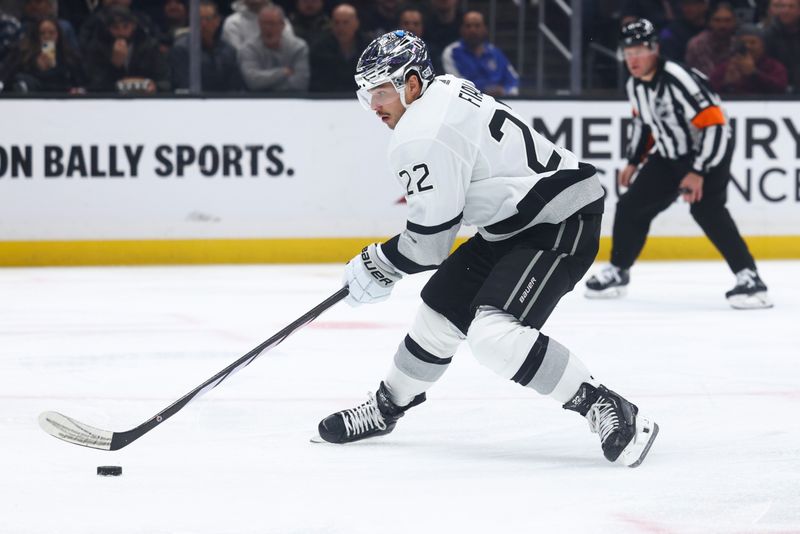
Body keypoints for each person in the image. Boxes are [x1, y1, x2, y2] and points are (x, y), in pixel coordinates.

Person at [313, 30, 659, 469]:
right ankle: (386, 409)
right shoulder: (447, 88)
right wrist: (384, 263)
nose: (375, 106)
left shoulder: (422, 133)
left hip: (560, 219)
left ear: (412, 83)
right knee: (437, 316)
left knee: (494, 336)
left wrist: (379, 262)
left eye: (382, 91)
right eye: (367, 95)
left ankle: (605, 405)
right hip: (512, 223)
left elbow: (430, 245)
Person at [585, 19, 771, 309]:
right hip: (670, 154)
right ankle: (618, 271)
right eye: (627, 52)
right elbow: (644, 124)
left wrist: (698, 171)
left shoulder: (678, 78)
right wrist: (634, 160)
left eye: (639, 51)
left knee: (707, 209)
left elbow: (716, 126)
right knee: (631, 206)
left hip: (710, 151)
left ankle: (750, 278)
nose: (632, 59)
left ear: (655, 50)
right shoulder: (636, 84)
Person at [84, 5, 170, 93]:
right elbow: (94, 86)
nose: (121, 32)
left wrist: (155, 86)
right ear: (108, 29)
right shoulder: (97, 49)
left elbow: (165, 81)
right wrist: (114, 65)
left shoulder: (150, 47)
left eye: (125, 27)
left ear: (134, 26)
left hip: (146, 99)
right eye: (115, 28)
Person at [169, 0, 243, 91]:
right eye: (199, 19)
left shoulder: (228, 51)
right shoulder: (181, 49)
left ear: (217, 21)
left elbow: (235, 87)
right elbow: (184, 85)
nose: (203, 24)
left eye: (208, 19)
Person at [442, 11, 519, 97]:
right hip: (469, 102)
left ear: (485, 29)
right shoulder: (452, 52)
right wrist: (484, 92)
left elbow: (513, 81)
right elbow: (456, 84)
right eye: (468, 26)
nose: (472, 30)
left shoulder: (495, 53)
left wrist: (504, 91)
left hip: (501, 101)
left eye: (477, 26)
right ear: (461, 29)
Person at [239, 5, 309, 91]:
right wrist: (283, 73)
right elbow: (252, 81)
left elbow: (300, 83)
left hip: (290, 99)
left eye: (272, 23)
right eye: (264, 23)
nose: (267, 28)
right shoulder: (249, 48)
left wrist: (267, 87)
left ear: (282, 25)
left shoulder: (298, 47)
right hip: (257, 100)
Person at [8, 15, 86, 92]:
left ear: (58, 34)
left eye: (51, 33)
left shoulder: (70, 57)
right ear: (36, 36)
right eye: (42, 33)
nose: (47, 36)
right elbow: (9, 78)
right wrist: (37, 67)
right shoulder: (24, 56)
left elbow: (81, 83)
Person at [710, 23, 788, 93]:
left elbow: (781, 89)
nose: (748, 46)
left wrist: (754, 73)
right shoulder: (725, 67)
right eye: (743, 42)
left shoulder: (774, 67)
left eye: (752, 42)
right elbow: (710, 91)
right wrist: (726, 82)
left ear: (763, 45)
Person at [308, 4, 366, 92]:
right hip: (329, 98)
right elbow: (318, 82)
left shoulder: (368, 47)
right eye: (336, 22)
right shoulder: (320, 48)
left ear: (356, 23)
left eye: (345, 22)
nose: (341, 27)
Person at [685, 1, 738, 77]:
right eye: (717, 20)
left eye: (727, 20)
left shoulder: (737, 42)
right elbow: (709, 77)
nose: (722, 25)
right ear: (710, 22)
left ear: (734, 22)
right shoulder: (698, 44)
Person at [763, 0, 800, 92]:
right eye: (782, 6)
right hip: (775, 87)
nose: (785, 10)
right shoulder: (768, 35)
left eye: (791, 7)